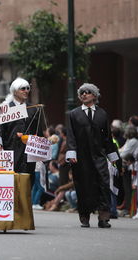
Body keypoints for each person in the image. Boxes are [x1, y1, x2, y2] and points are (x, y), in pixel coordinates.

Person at [66, 83, 118, 228]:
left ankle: (104, 218)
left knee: (103, 185)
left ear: (94, 95)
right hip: (81, 158)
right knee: (83, 186)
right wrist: (71, 153)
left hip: (99, 157)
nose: (84, 94)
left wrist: (114, 160)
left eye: (88, 92)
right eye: (82, 92)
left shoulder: (102, 114)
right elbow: (71, 136)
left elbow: (108, 138)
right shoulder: (74, 114)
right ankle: (85, 216)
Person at [0, 77, 44, 182]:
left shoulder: (34, 109)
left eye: (28, 88)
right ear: (15, 91)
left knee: (29, 184)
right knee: (12, 185)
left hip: (29, 155)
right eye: (23, 89)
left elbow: (39, 131)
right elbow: (0, 132)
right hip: (11, 154)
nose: (26, 91)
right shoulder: (5, 109)